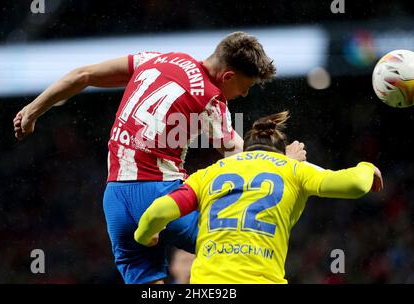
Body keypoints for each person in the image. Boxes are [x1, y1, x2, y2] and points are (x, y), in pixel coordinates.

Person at [13, 32, 306, 284]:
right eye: (246, 86)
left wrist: (33, 110)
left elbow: (83, 75)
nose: (243, 94)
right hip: (159, 192)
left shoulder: (157, 58)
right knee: (241, 244)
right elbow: (243, 157)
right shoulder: (209, 98)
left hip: (115, 199)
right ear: (227, 76)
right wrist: (287, 162)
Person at [134, 111, 384, 283]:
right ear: (280, 151)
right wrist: (366, 168)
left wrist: (145, 235)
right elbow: (355, 185)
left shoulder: (208, 174)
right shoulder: (293, 169)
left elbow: (157, 212)